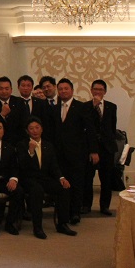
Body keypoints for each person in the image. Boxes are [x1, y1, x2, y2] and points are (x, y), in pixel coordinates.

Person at [17, 117, 76, 239]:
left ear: (42, 129)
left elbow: (54, 166)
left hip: (44, 178)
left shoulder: (48, 145)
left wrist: (61, 178)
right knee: (37, 190)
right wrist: (30, 151)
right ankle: (37, 227)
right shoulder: (22, 145)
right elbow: (22, 166)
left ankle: (62, 224)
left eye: (37, 128)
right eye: (31, 128)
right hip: (28, 179)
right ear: (27, 131)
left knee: (64, 188)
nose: (35, 131)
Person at [51, 78, 97, 224]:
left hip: (77, 153)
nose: (63, 91)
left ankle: (75, 213)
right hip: (59, 153)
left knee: (77, 183)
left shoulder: (82, 107)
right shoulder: (54, 109)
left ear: (72, 90)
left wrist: (93, 151)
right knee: (62, 183)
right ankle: (63, 212)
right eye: (60, 89)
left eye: (66, 88)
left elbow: (91, 130)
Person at [83, 79, 118, 216]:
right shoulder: (85, 106)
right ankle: (86, 205)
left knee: (106, 179)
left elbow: (112, 127)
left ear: (105, 92)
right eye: (95, 89)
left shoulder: (111, 107)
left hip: (107, 148)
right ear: (91, 90)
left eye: (100, 90)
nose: (98, 92)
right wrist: (94, 107)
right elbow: (87, 125)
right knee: (88, 178)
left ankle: (105, 206)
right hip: (91, 147)